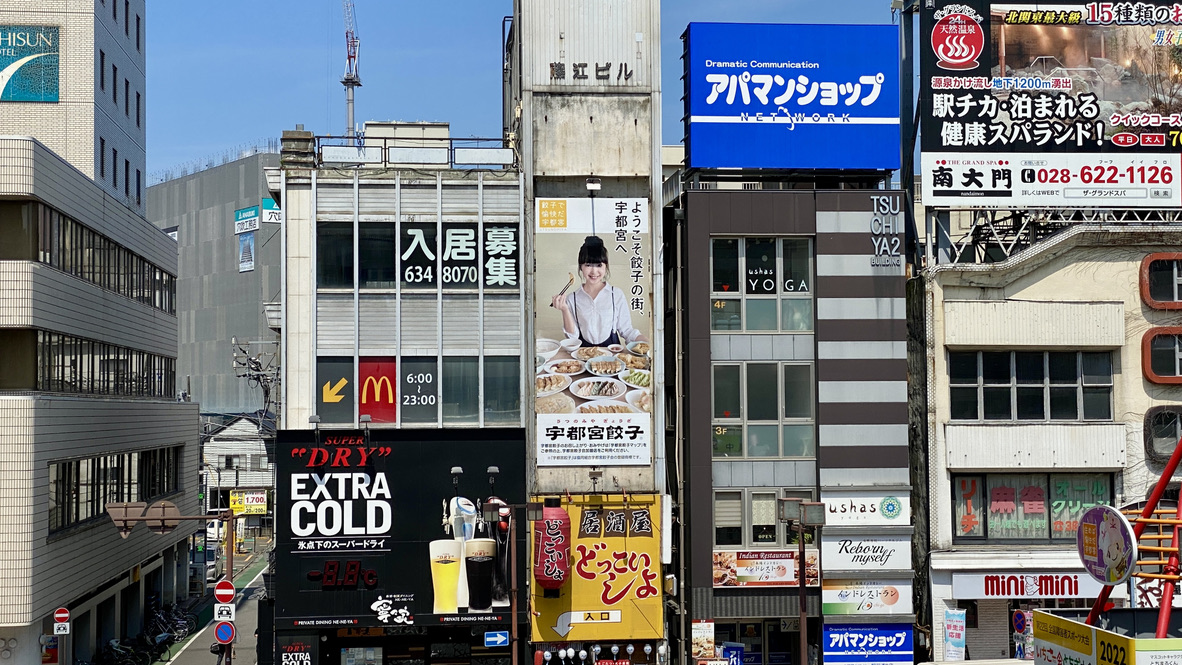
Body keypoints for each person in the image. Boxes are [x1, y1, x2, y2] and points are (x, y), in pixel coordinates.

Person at [550, 235, 648, 347]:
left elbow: (627, 331)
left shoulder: (616, 294)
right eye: (588, 265)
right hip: (582, 357)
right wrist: (564, 309)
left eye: (599, 265)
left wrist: (649, 342)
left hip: (612, 358)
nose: (594, 271)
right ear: (581, 267)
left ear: (605, 266)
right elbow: (573, 337)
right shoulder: (572, 298)